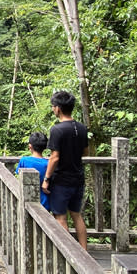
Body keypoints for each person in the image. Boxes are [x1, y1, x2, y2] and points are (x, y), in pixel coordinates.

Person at [42, 90, 89, 249]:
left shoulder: (57, 129)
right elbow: (85, 152)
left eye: (53, 106)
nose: (53, 109)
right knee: (76, 215)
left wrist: (46, 179)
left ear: (58, 108)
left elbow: (55, 157)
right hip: (78, 177)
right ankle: (84, 251)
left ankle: (68, 253)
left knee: (60, 217)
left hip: (62, 179)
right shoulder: (82, 128)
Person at [16, 132, 50, 210]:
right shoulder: (48, 164)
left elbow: (19, 178)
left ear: (30, 146)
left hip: (27, 200)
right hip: (45, 202)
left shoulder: (24, 160)